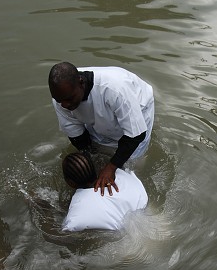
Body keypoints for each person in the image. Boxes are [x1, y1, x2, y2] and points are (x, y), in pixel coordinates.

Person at [49, 62, 154, 196]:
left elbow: (136, 135)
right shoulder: (63, 97)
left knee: (132, 166)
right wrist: (91, 160)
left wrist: (110, 168)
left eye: (69, 99)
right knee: (97, 150)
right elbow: (78, 137)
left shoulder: (114, 89)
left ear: (81, 83)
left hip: (137, 107)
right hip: (99, 110)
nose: (64, 105)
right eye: (59, 100)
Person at [61, 152, 148, 232]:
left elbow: (65, 231)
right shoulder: (124, 176)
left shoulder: (77, 212)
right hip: (145, 213)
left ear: (70, 183)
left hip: (120, 238)